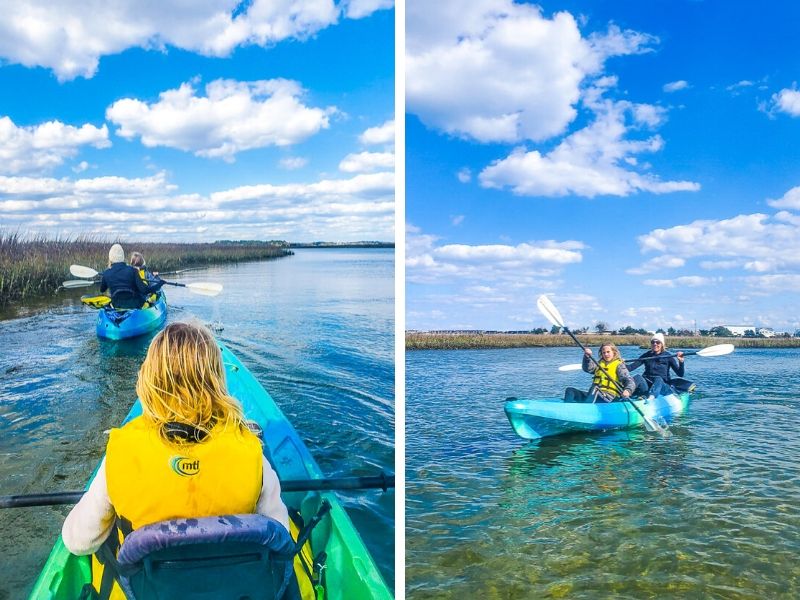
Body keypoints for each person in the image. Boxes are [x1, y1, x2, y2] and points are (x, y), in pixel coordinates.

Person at [61, 322, 289, 596]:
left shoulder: (121, 452)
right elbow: (280, 534)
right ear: (217, 381)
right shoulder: (250, 450)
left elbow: (78, 542)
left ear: (148, 379)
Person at [564, 343, 636, 403]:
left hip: (610, 397)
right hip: (593, 395)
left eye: (608, 352)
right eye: (603, 352)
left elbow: (629, 380)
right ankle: (567, 409)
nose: (606, 354)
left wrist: (628, 390)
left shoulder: (619, 365)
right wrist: (587, 357)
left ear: (614, 352)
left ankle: (586, 410)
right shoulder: (599, 363)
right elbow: (588, 369)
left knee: (595, 390)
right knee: (570, 390)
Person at [99, 244, 164, 309]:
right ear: (122, 257)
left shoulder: (106, 273)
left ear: (110, 257)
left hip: (116, 305)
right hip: (135, 305)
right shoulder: (133, 270)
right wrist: (159, 284)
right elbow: (145, 290)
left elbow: (102, 290)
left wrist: (105, 277)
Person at [626, 332, 685, 398]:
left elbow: (680, 374)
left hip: (663, 385)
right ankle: (625, 394)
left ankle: (651, 398)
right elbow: (631, 367)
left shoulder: (668, 356)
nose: (655, 344)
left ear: (662, 344)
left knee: (658, 379)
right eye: (653, 342)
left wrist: (681, 362)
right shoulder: (647, 355)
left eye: (658, 342)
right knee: (637, 377)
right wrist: (620, 364)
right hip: (648, 385)